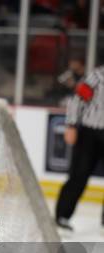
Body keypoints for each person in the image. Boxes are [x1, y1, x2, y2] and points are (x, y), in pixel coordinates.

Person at [55, 64, 104, 233]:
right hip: (90, 134)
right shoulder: (98, 76)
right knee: (79, 175)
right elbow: (77, 99)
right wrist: (71, 125)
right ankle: (62, 216)